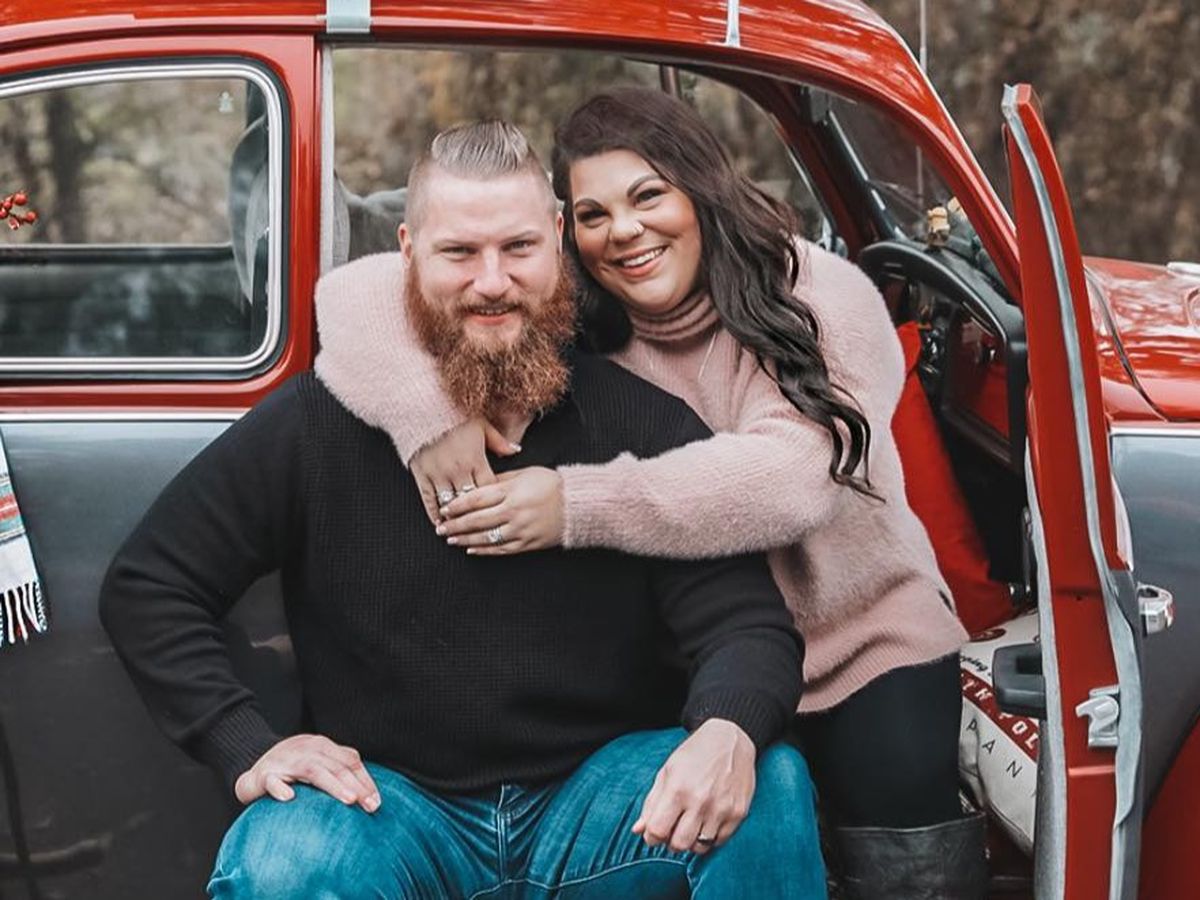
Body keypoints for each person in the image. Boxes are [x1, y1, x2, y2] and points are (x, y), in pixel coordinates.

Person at [99, 120, 827, 899]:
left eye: (518, 248)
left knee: (767, 784)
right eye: (459, 253)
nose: (492, 282)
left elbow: (746, 625)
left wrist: (729, 728)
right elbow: (150, 585)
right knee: (281, 859)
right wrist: (246, 744)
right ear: (408, 252)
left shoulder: (643, 421)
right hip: (389, 809)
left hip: (600, 804)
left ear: (557, 240)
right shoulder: (317, 426)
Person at [314, 88, 986, 898]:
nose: (625, 231)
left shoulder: (820, 295)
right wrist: (427, 415)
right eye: (593, 215)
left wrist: (574, 504)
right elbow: (352, 295)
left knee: (903, 847)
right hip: (701, 657)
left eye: (647, 197)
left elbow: (794, 479)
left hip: (858, 638)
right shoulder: (575, 306)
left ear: (700, 190)